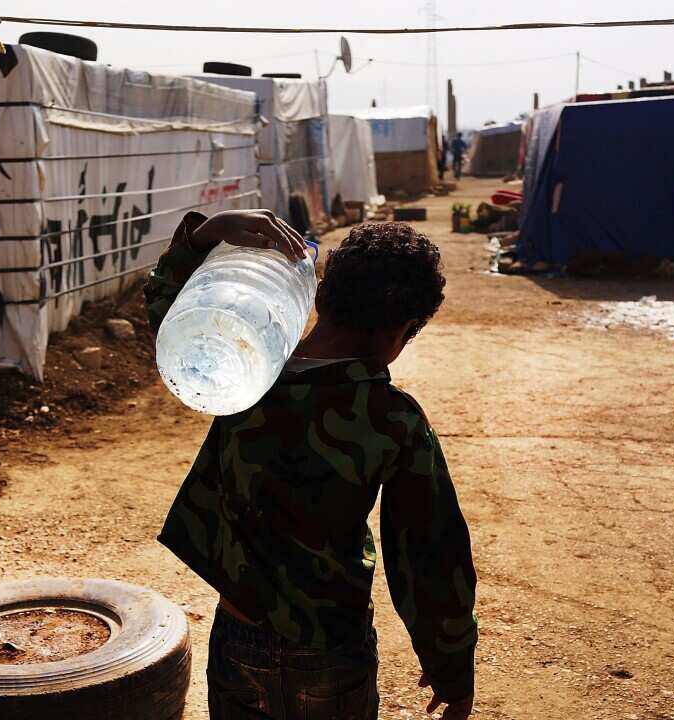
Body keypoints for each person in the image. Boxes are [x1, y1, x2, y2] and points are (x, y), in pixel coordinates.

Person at [144, 209, 478, 720]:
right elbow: (431, 556)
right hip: (332, 651)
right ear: (405, 330)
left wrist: (206, 234)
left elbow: (172, 313)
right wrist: (451, 668)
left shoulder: (244, 372)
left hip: (239, 640)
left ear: (319, 295)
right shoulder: (393, 420)